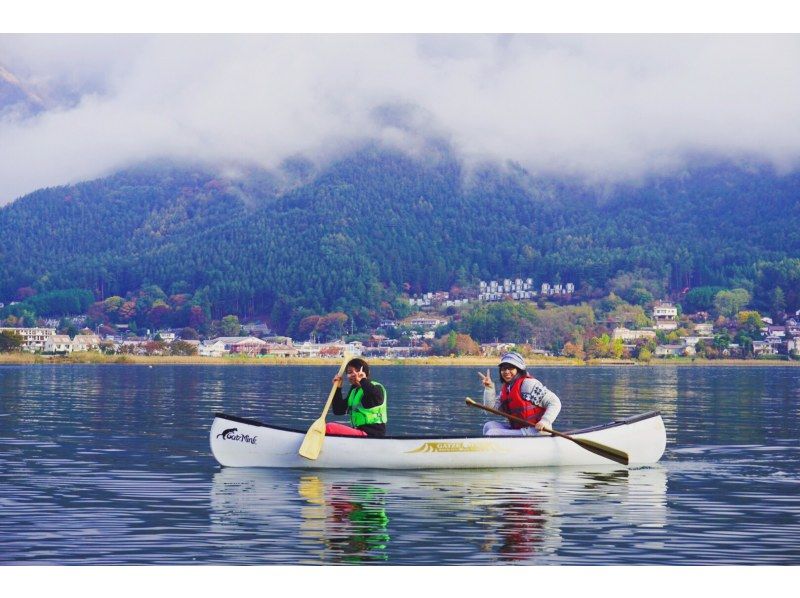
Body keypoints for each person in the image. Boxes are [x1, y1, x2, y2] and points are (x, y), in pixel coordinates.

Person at [477, 351, 561, 436]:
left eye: (511, 368)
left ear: (519, 369)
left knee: (493, 433)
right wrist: (489, 388)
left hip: (537, 431)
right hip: (521, 430)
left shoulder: (528, 385)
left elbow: (555, 402)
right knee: (488, 426)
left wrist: (545, 421)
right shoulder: (507, 389)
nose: (506, 371)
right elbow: (490, 409)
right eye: (503, 368)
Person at [325, 358, 388, 437]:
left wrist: (363, 380)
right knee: (327, 427)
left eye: (358, 371)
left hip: (373, 434)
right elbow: (338, 410)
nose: (354, 374)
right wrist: (338, 389)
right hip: (358, 431)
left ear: (366, 373)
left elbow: (371, 400)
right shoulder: (354, 390)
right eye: (350, 372)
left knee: (329, 427)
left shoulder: (376, 387)